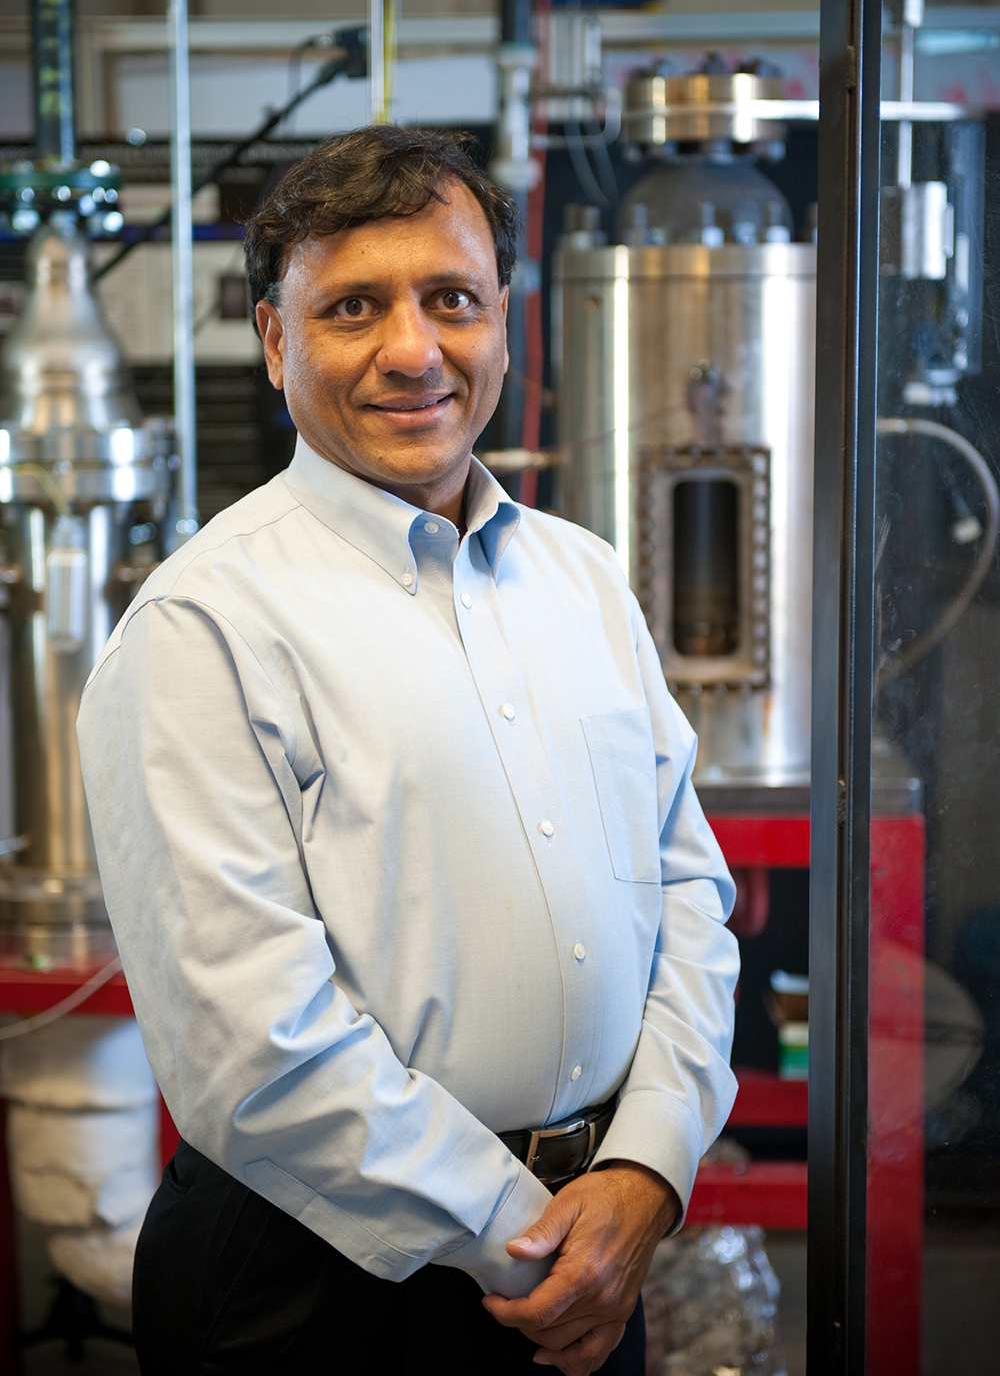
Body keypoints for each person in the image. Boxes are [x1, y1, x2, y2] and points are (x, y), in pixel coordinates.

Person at [77, 125, 739, 1376]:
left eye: (451, 300)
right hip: (326, 1288)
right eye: (352, 308)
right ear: (276, 343)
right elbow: (251, 1049)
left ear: (503, 320)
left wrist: (648, 1166)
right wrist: (531, 1242)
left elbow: (688, 894)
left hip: (598, 1244)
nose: (412, 351)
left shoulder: (582, 578)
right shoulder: (201, 629)